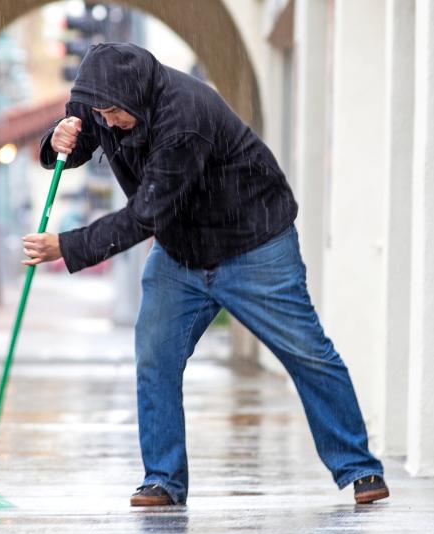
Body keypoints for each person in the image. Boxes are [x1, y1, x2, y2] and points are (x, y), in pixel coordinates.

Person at [23, 43, 388, 507]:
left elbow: (146, 212)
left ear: (135, 97)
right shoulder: (99, 100)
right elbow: (82, 138)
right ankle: (162, 479)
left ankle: (359, 469)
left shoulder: (186, 118)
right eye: (98, 111)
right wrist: (59, 137)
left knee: (306, 353)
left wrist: (68, 246)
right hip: (181, 254)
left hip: (254, 245)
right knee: (155, 356)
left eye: (113, 112)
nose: (106, 120)